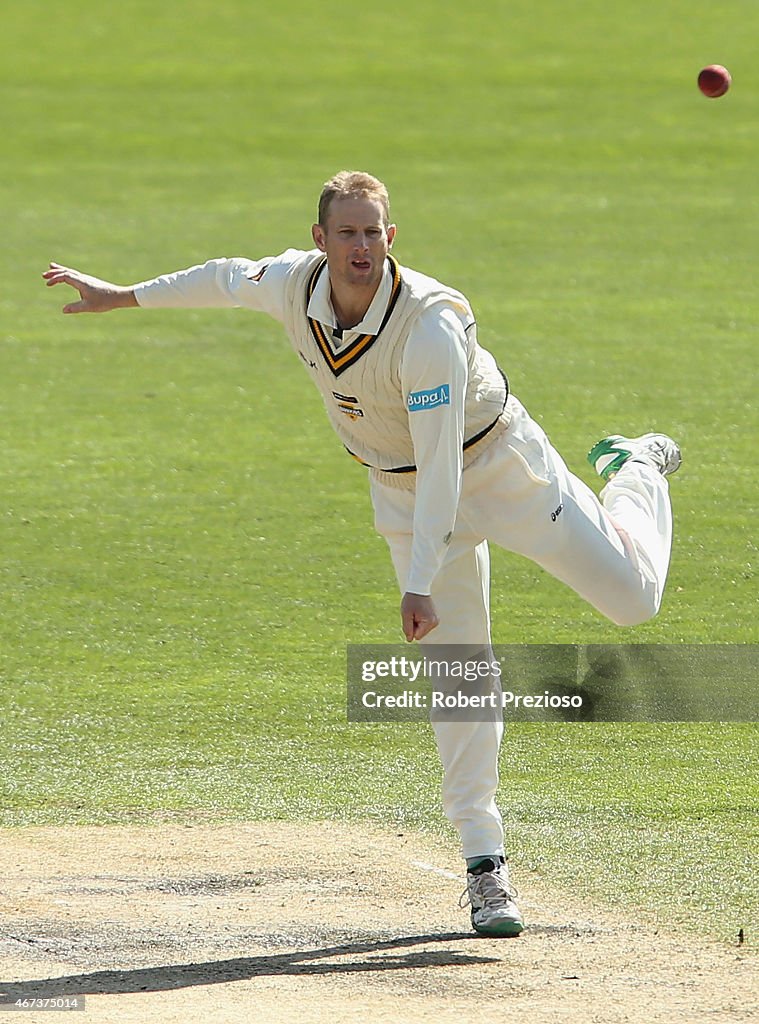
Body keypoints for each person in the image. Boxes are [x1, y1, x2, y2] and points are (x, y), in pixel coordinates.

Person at [43, 170, 681, 938]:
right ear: (320, 240)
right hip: (404, 493)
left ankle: (636, 465)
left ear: (390, 237)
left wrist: (418, 585)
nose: (360, 248)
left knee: (632, 599)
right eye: (346, 233)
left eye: (373, 233)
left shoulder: (431, 324)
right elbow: (218, 278)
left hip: (498, 468)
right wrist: (123, 295)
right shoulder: (291, 283)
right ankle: (485, 865)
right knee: (459, 672)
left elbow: (444, 463)